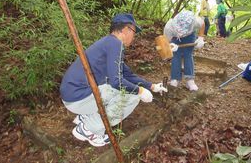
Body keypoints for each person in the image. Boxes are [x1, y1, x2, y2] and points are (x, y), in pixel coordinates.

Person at [60, 13, 167, 147]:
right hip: (77, 97)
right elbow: (116, 82)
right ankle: (88, 129)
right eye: (134, 32)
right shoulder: (115, 44)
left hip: (73, 95)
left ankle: (86, 116)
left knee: (119, 88)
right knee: (131, 96)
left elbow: (127, 75)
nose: (134, 36)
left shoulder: (108, 43)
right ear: (126, 29)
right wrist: (140, 91)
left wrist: (152, 87)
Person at [164, 10, 205, 91]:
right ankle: (174, 79)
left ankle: (190, 80)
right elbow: (165, 42)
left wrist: (200, 38)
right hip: (175, 37)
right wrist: (170, 46)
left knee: (188, 55)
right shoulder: (169, 27)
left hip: (190, 36)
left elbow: (202, 24)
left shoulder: (194, 21)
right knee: (176, 56)